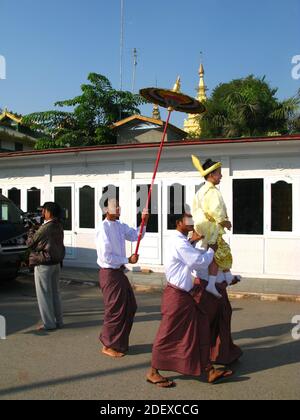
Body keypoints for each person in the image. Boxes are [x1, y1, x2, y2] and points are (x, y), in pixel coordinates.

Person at [146, 210, 233, 388]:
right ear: (179, 222)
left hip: (186, 295)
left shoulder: (182, 241)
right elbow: (197, 262)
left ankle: (208, 370)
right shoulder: (179, 243)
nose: (193, 222)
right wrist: (211, 249)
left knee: (200, 328)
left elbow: (189, 250)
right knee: (168, 334)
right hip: (176, 296)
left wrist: (195, 240)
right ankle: (153, 371)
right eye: (189, 219)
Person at [96, 198, 149, 358]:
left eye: (119, 205)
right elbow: (106, 257)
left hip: (119, 272)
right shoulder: (103, 228)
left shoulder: (119, 226)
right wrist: (128, 260)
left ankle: (118, 342)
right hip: (109, 273)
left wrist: (144, 222)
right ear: (106, 210)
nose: (118, 208)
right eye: (114, 206)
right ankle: (108, 343)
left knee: (130, 306)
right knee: (114, 310)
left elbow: (134, 236)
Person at [189, 231, 243, 367]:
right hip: (204, 288)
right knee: (204, 323)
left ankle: (219, 353)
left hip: (217, 287)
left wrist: (228, 278)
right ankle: (200, 356)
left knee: (222, 320)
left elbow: (222, 265)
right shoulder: (195, 245)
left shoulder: (218, 244)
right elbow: (196, 265)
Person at [192, 156, 235, 299]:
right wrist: (226, 222)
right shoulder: (212, 192)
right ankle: (213, 283)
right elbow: (217, 212)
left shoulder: (200, 191)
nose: (221, 176)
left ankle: (228, 277)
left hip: (204, 229)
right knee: (218, 254)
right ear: (211, 175)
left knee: (220, 252)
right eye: (219, 173)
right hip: (211, 229)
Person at [26, 202, 65, 331]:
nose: (42, 213)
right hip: (55, 263)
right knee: (55, 293)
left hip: (43, 263)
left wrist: (31, 230)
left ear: (49, 212)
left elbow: (30, 243)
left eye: (44, 210)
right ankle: (59, 321)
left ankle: (49, 323)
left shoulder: (46, 227)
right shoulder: (59, 225)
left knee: (44, 295)